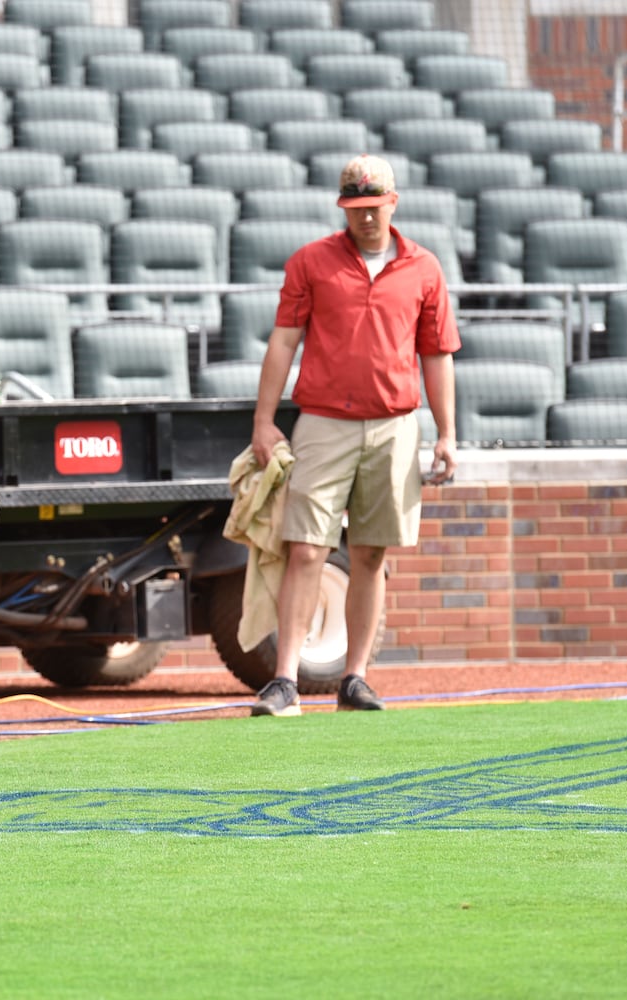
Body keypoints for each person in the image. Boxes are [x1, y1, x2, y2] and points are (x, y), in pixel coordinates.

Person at [248, 154, 461, 717]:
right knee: (306, 548)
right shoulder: (311, 262)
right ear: (343, 207)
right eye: (354, 208)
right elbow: (283, 343)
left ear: (393, 203)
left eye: (373, 207)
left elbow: (437, 356)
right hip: (323, 421)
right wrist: (264, 421)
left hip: (394, 424)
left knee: (370, 553)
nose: (365, 218)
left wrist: (446, 434)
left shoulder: (424, 268)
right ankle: (285, 681)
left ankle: (355, 677)